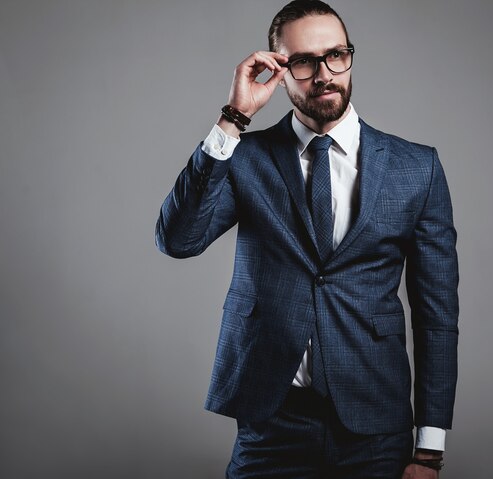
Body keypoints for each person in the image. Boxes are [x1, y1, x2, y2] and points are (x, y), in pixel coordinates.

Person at [156, 1, 458, 477]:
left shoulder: (416, 168)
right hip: (272, 419)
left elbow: (437, 315)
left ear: (350, 57)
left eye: (336, 55)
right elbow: (178, 239)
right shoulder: (244, 157)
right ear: (278, 69)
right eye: (303, 61)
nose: (323, 74)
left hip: (376, 424)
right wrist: (233, 117)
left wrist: (430, 448)